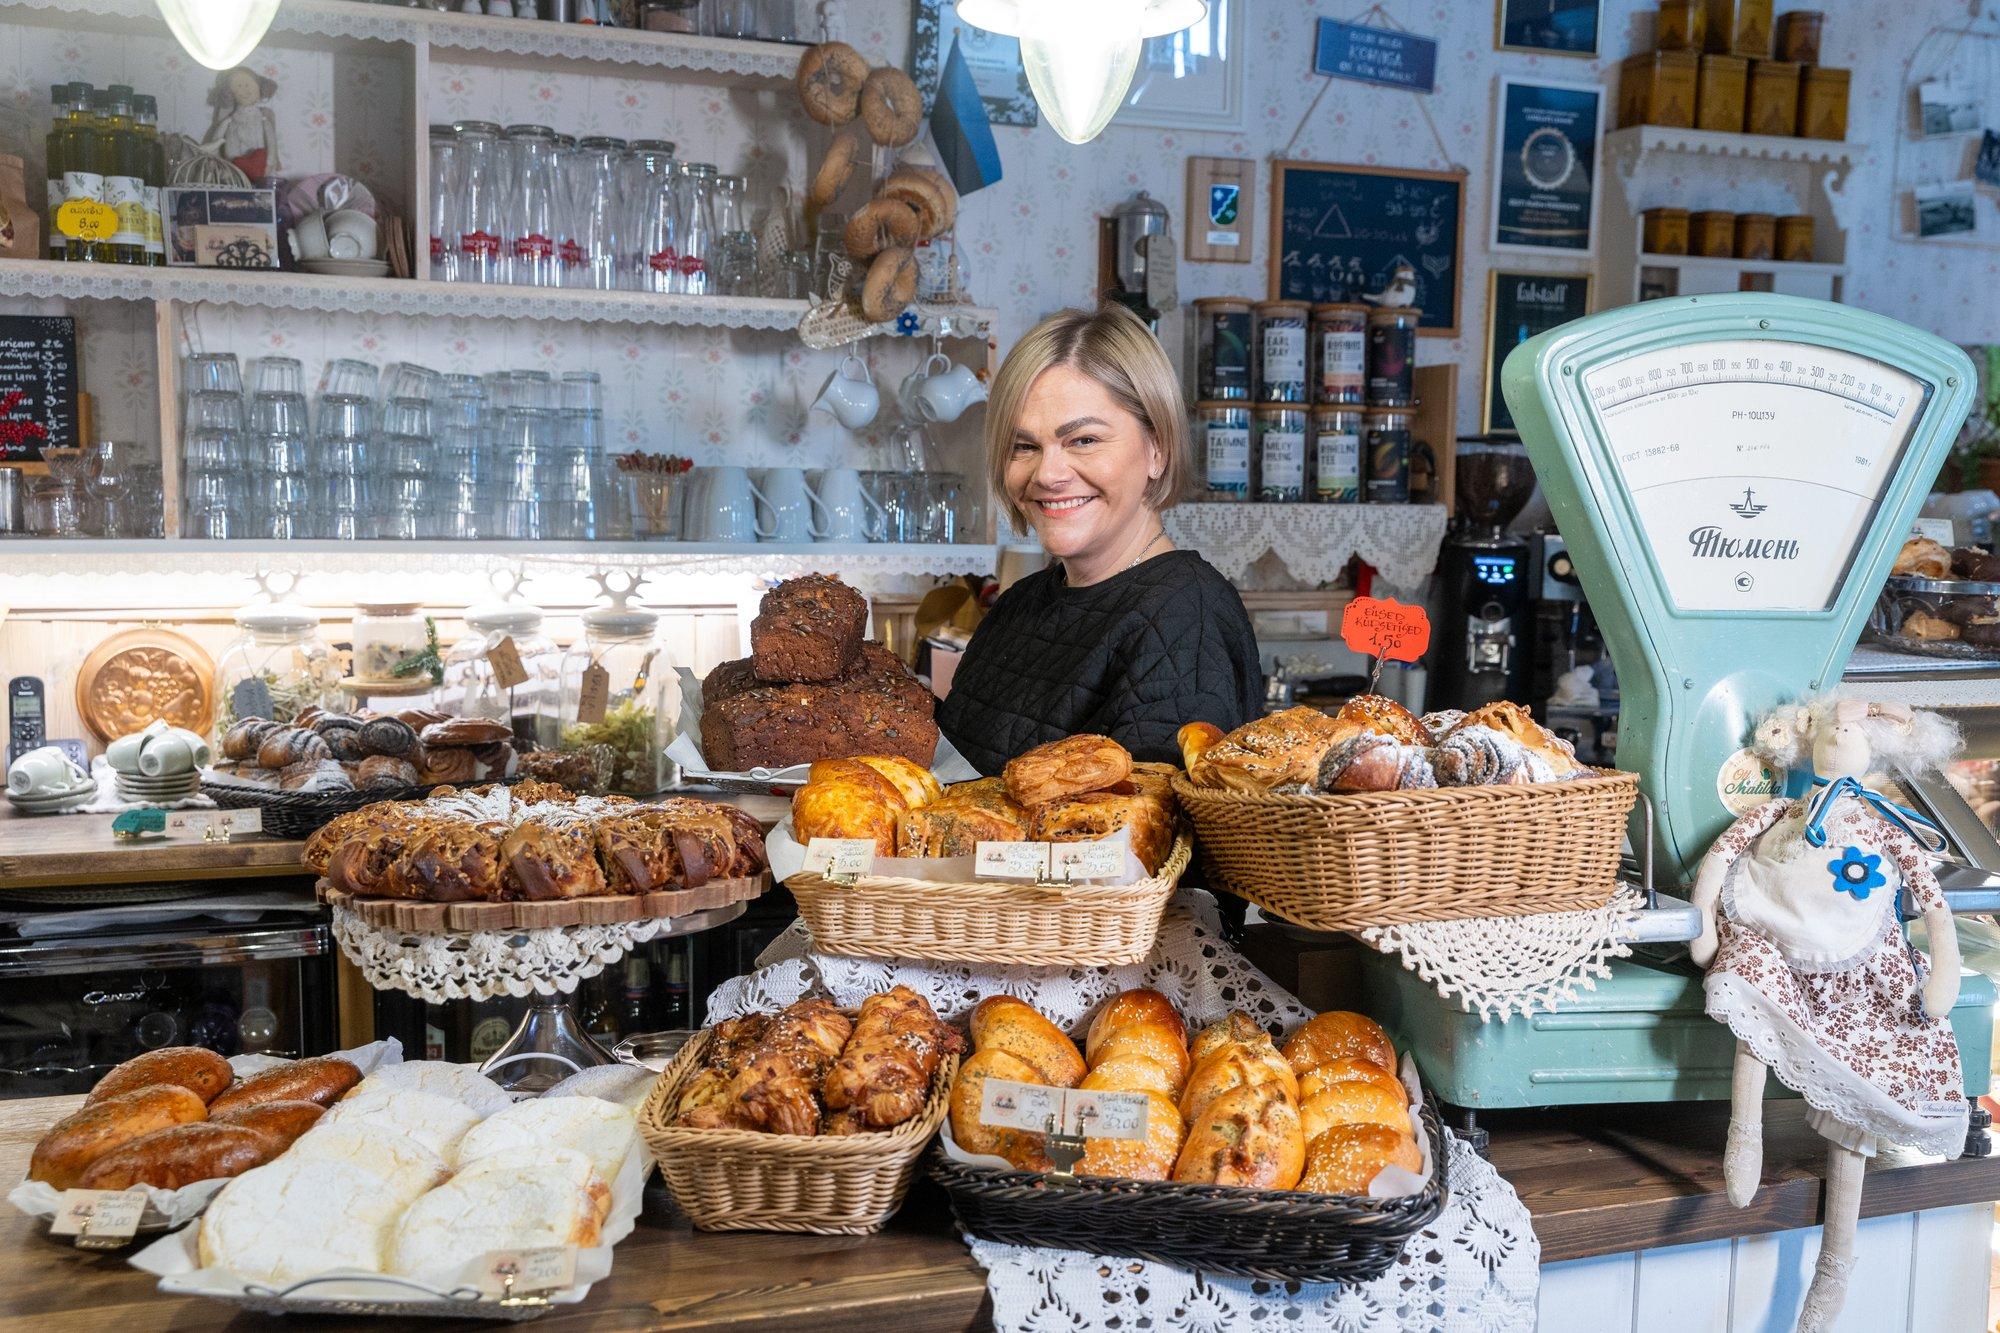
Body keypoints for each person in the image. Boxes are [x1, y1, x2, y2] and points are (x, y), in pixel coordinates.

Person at [938, 304, 1262, 774]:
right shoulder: (1020, 604)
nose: (1048, 475)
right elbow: (957, 771)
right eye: (1024, 446)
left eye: (1084, 440)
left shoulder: (1185, 615)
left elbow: (1143, 833)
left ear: (1158, 449)